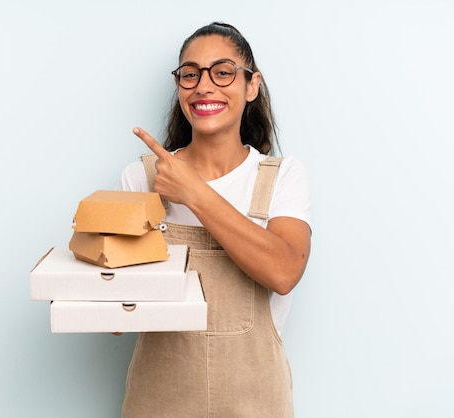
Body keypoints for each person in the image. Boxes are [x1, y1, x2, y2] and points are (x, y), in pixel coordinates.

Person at [117, 22, 311, 418]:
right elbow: (120, 311)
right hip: (159, 399)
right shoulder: (140, 178)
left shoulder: (281, 176)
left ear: (251, 85)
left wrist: (194, 192)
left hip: (256, 400)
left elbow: (285, 271)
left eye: (222, 72)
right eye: (190, 74)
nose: (203, 86)